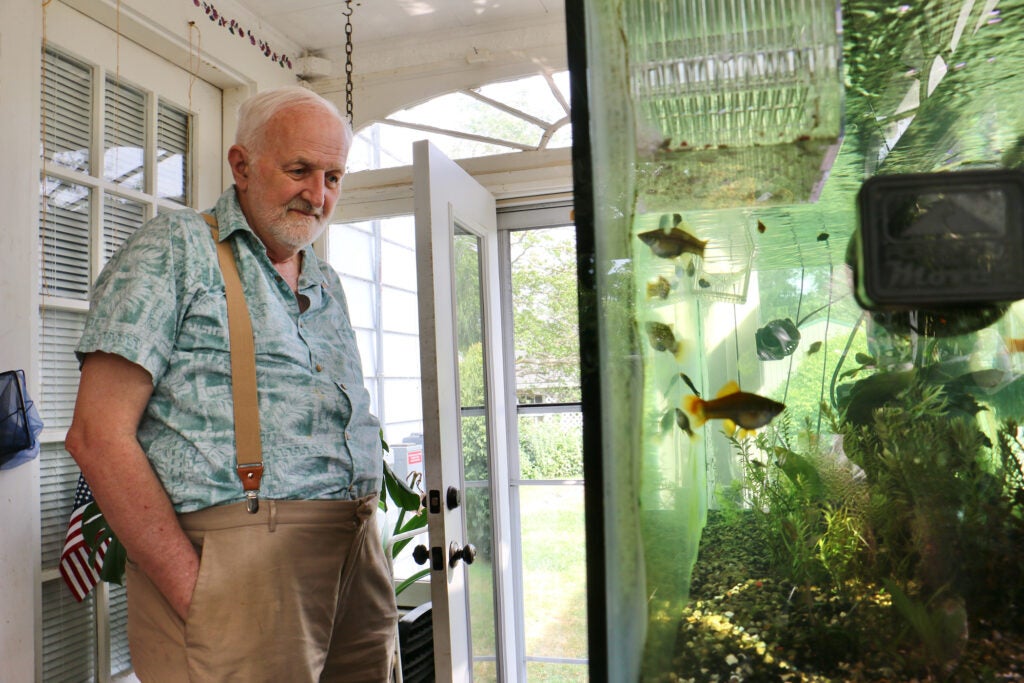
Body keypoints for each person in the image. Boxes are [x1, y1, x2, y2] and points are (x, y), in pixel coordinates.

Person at [65, 86, 398, 682]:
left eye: (333, 177)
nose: (318, 195)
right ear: (241, 166)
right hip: (237, 570)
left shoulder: (326, 280)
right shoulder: (175, 249)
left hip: (358, 560)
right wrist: (196, 590)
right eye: (299, 170)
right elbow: (97, 434)